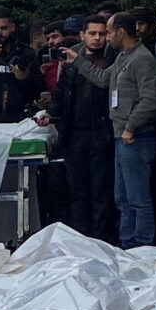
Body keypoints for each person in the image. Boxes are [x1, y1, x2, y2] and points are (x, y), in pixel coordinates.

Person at [48, 15, 117, 243]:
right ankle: (80, 240)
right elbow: (61, 93)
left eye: (102, 34)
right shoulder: (71, 61)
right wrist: (50, 114)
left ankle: (102, 240)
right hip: (75, 132)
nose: (97, 38)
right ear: (82, 35)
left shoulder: (113, 58)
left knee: (101, 190)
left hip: (102, 131)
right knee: (77, 190)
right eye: (92, 33)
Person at [105, 12, 156, 247]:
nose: (106, 37)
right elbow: (103, 78)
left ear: (121, 32)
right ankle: (127, 244)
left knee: (138, 198)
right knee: (122, 197)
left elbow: (151, 100)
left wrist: (131, 126)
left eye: (109, 32)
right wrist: (77, 61)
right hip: (121, 137)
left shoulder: (142, 58)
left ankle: (143, 245)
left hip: (136, 138)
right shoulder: (122, 58)